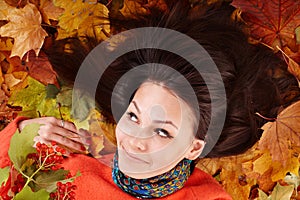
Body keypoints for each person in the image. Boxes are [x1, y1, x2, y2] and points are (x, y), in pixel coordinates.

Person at [1, 1, 299, 199]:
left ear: (196, 146)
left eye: (162, 131)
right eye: (133, 116)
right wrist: (18, 137)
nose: (134, 139)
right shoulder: (62, 165)